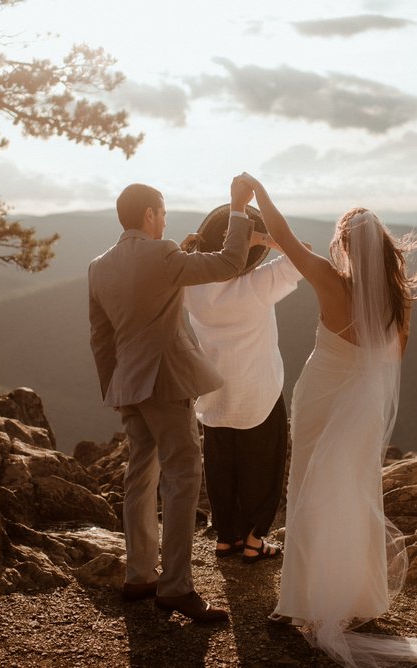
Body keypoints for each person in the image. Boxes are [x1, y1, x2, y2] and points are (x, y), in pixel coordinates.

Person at [237, 172, 417, 666]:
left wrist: (256, 193)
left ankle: (301, 601)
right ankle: (364, 598)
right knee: (358, 491)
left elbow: (282, 237)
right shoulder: (399, 300)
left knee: (306, 491)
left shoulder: (328, 277)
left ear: (345, 245)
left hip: (320, 399)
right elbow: (391, 363)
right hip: (361, 409)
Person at [87, 179, 254, 623]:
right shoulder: (161, 256)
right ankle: (176, 588)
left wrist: (115, 388)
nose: (164, 220)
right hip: (166, 383)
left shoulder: (99, 266)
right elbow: (232, 261)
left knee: (139, 475)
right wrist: (237, 209)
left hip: (129, 385)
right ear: (148, 215)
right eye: (162, 213)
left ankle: (140, 574)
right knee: (182, 476)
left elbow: (100, 337)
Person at [180, 211, 306, 564]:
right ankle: (253, 539)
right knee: (263, 464)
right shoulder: (258, 284)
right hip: (259, 390)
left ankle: (226, 537)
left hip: (214, 391)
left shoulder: (193, 287)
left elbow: (167, 276)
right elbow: (303, 255)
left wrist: (188, 252)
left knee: (221, 465)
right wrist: (264, 239)